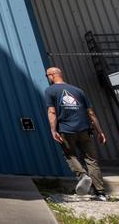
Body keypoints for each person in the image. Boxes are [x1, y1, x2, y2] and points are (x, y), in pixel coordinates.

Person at [45, 66, 109, 200]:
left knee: (70, 155)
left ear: (52, 75)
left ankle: (83, 176)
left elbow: (52, 112)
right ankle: (100, 193)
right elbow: (90, 113)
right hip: (84, 130)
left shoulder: (50, 90)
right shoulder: (78, 91)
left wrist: (53, 130)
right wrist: (100, 131)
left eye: (47, 76)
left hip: (66, 130)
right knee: (91, 160)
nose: (48, 78)